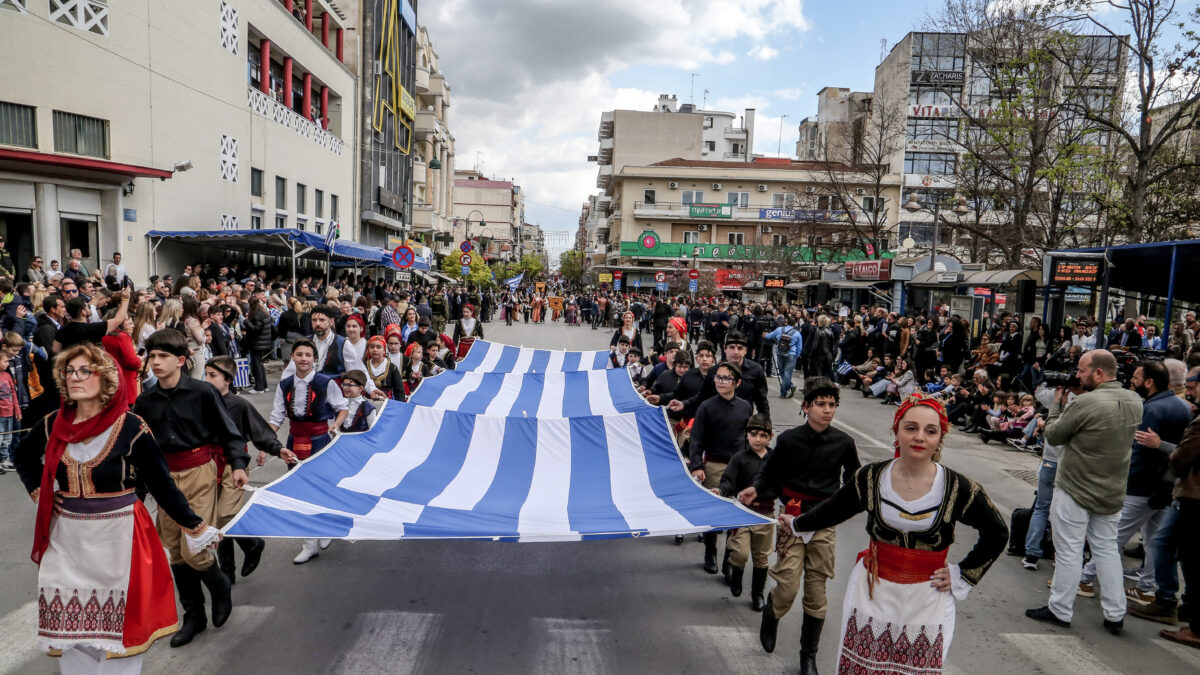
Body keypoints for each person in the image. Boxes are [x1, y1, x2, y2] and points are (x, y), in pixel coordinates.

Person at [15, 344, 221, 671]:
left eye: (85, 371)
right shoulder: (53, 422)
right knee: (74, 635)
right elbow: (22, 456)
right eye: (69, 372)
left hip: (120, 537)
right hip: (67, 539)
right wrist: (40, 492)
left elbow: (161, 484)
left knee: (120, 641)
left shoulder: (130, 427)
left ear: (106, 379)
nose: (75, 378)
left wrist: (194, 525)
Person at [781, 393, 1008, 674]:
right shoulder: (872, 478)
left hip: (929, 599)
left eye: (930, 430)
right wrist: (795, 525)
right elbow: (832, 511)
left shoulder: (958, 487)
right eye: (911, 427)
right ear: (897, 431)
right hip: (873, 592)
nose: (920, 437)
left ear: (940, 438)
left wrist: (963, 573)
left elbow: (997, 532)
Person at [132, 328, 248, 648]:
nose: (153, 362)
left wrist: (238, 464)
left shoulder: (202, 392)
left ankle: (220, 586)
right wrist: (138, 494)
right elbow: (140, 452)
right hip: (164, 480)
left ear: (181, 360)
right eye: (151, 355)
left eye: (162, 356)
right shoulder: (145, 401)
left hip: (198, 472)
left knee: (193, 547)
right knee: (173, 550)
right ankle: (193, 615)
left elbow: (229, 432)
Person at [740, 378, 861, 669]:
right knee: (788, 586)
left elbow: (855, 482)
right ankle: (772, 613)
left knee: (817, 592)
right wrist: (756, 488)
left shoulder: (844, 443)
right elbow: (770, 473)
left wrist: (849, 503)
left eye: (832, 405)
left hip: (824, 522)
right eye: (820, 404)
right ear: (806, 407)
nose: (827, 410)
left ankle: (808, 656)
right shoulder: (790, 440)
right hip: (791, 519)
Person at [1026, 349, 1144, 634]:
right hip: (1112, 489)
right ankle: (1115, 614)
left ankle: (1060, 609)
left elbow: (1054, 435)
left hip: (1075, 488)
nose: (1076, 375)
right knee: (1106, 550)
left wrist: (1057, 405)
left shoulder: (1085, 403)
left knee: (1069, 550)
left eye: (1081, 370)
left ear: (1099, 373)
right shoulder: (1135, 401)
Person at [1076, 360, 1191, 601]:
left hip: (1142, 487)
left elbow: (1140, 451)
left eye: (1137, 378)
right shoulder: (1182, 407)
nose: (1132, 381)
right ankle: (1146, 587)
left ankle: (1085, 579)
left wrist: (1123, 479)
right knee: (1154, 541)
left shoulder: (1151, 409)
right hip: (1167, 485)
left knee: (1112, 536)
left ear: (1150, 382)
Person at [203, 356, 288, 587]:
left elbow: (260, 432)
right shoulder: (200, 402)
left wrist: (278, 449)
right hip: (206, 466)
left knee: (226, 515)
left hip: (234, 464)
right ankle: (227, 570)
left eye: (213, 376)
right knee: (215, 522)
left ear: (228, 380)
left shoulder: (239, 405)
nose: (207, 379)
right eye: (206, 374)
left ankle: (252, 544)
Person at [268, 338, 349, 564]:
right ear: (292, 357)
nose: (303, 359)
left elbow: (342, 407)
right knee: (299, 490)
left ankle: (325, 527)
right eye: (299, 354)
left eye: (308, 355)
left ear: (315, 359)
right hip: (295, 441)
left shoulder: (325, 382)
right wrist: (266, 443)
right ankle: (308, 542)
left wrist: (335, 425)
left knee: (321, 487)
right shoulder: (284, 385)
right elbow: (276, 417)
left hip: (320, 440)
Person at [688, 361, 752, 574]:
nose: (721, 381)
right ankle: (710, 551)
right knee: (714, 513)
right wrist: (697, 465)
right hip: (714, 464)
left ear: (737, 382)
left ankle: (729, 557)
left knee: (734, 512)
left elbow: (749, 439)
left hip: (738, 467)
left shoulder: (745, 407)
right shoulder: (706, 406)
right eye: (718, 377)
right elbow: (696, 439)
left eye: (726, 378)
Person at [719, 413, 777, 610]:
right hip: (742, 513)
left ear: (771, 436)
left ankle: (757, 594)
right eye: (754, 434)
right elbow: (728, 481)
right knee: (741, 553)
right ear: (746, 435)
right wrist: (720, 491)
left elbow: (782, 483)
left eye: (763, 435)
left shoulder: (775, 459)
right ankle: (736, 572)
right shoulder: (739, 458)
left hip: (765, 514)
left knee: (761, 556)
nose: (758, 439)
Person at [763, 317, 802, 399]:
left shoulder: (779, 329)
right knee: (788, 373)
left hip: (780, 352)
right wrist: (797, 355)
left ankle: (787, 388)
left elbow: (769, 336)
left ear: (786, 322)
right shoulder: (797, 333)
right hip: (791, 354)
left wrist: (765, 334)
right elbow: (799, 347)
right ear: (795, 324)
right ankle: (785, 391)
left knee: (782, 372)